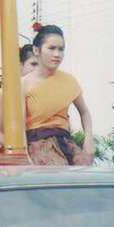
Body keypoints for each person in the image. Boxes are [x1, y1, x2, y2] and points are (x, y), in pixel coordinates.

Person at [22, 25, 95, 166]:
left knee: (85, 173)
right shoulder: (24, 84)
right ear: (36, 50)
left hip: (66, 144)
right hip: (37, 146)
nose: (57, 54)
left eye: (61, 49)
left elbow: (84, 112)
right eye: (51, 48)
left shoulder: (69, 81)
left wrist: (88, 140)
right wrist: (25, 154)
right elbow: (19, 125)